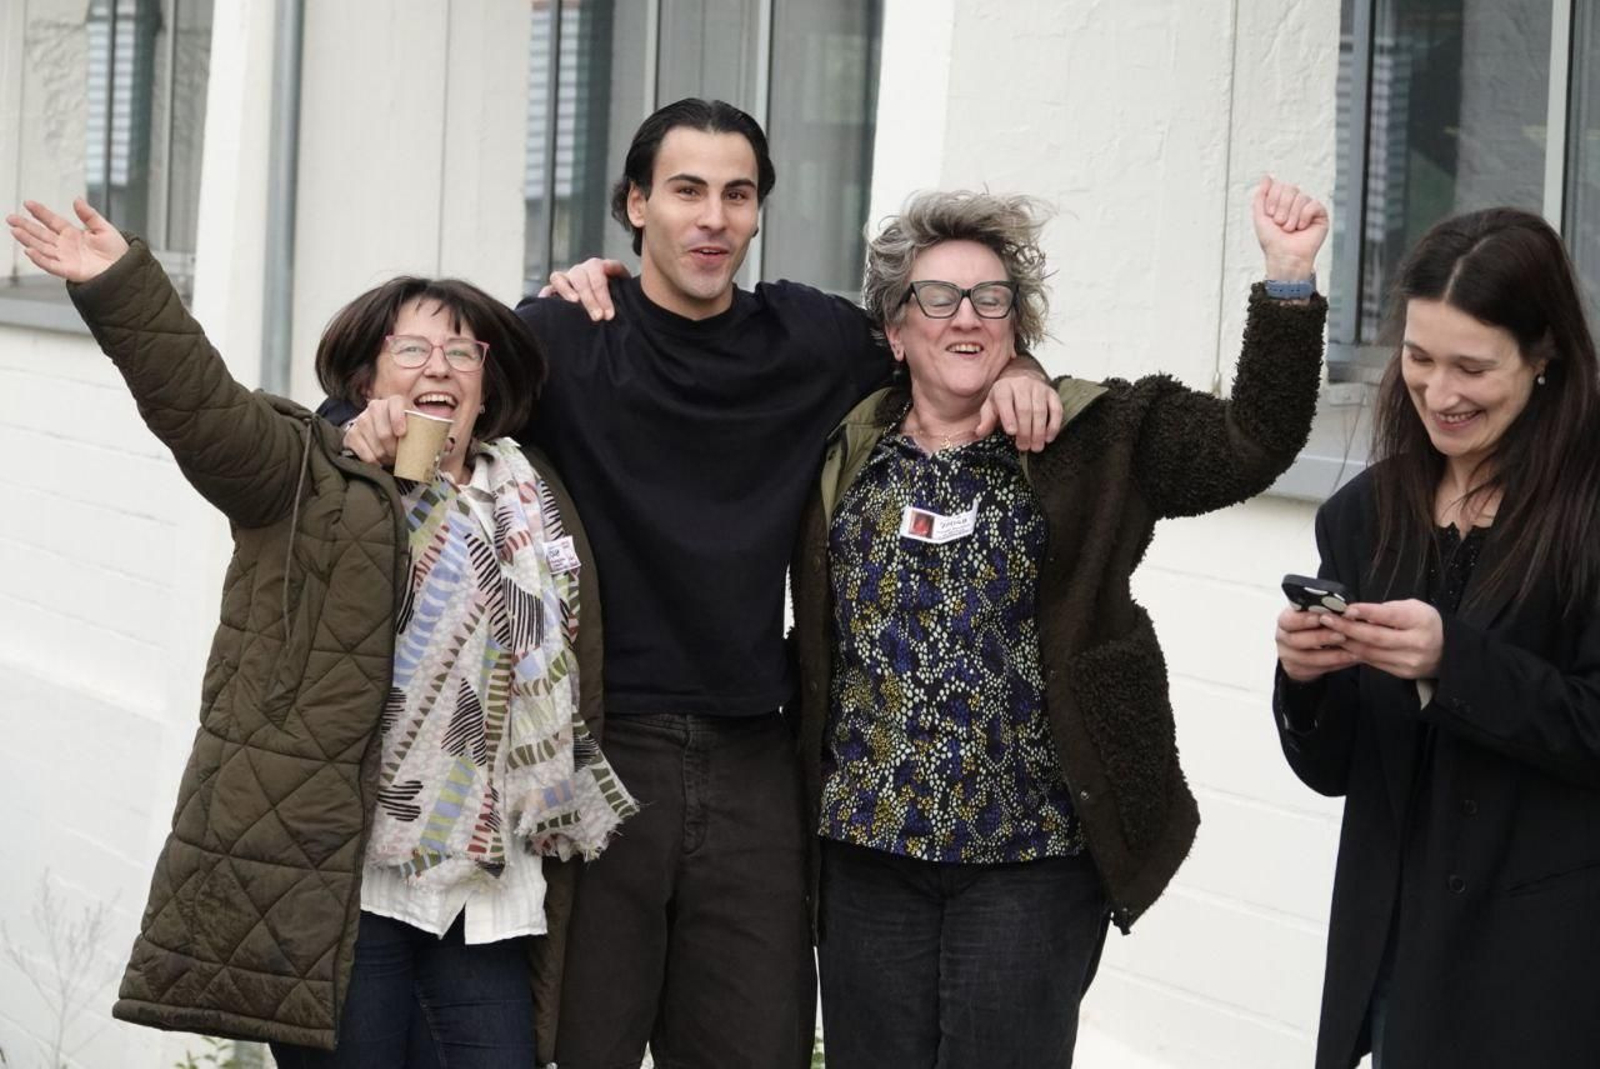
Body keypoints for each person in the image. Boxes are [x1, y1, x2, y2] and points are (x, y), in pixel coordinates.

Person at [341, 97, 1064, 1069]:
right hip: (598, 757)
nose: (712, 218)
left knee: (753, 1047)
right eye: (685, 190)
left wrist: (1022, 366)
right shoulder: (562, 335)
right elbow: (427, 393)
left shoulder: (811, 341)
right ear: (636, 205)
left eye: (736, 193)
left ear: (760, 210)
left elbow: (942, 340)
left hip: (754, 755)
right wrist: (351, 431)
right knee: (580, 1043)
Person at [7, 198, 636, 1068]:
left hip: (484, 892)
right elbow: (206, 412)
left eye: (463, 350)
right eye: (411, 348)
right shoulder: (311, 475)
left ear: (488, 383)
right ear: (369, 377)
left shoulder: (535, 499)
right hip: (343, 882)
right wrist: (122, 288)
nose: (440, 365)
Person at [784, 181, 1328, 1068]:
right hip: (864, 855)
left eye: (991, 298)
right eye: (938, 297)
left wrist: (1289, 283)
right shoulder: (843, 445)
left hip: (1029, 860)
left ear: (1016, 324)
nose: (967, 316)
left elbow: (1253, 442)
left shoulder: (1095, 437)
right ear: (895, 330)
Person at [1273, 207, 1600, 1068]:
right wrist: (1304, 680)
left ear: (1545, 357)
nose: (1441, 393)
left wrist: (1453, 662)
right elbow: (1335, 769)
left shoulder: (1589, 514)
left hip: (1542, 971)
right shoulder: (1363, 514)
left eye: (1473, 367)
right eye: (1419, 359)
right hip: (1387, 958)